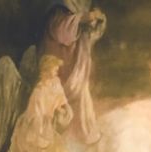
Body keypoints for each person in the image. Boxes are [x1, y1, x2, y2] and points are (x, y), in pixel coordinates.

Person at [1, 54, 81, 152]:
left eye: (56, 68)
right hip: (33, 128)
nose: (56, 71)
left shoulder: (55, 83)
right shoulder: (38, 92)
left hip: (47, 127)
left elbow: (61, 101)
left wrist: (63, 110)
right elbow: (34, 117)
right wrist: (41, 132)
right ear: (46, 70)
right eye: (54, 68)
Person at [39, 0, 106, 144]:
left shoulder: (80, 4)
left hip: (76, 60)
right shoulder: (59, 6)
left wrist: (95, 21)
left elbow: (87, 30)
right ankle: (57, 137)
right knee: (57, 101)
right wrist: (85, 18)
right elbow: (62, 33)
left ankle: (84, 132)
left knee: (82, 95)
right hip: (60, 61)